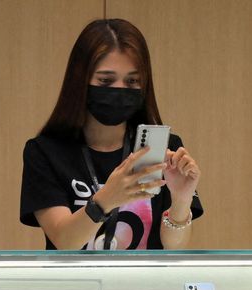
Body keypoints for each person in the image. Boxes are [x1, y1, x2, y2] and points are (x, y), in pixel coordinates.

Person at [20, 19, 203, 250]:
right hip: (76, 286)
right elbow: (65, 241)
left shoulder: (165, 149)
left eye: (132, 81)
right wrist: (106, 199)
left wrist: (181, 200)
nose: (119, 90)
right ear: (80, 80)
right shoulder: (45, 152)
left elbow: (174, 247)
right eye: (106, 80)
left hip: (145, 287)